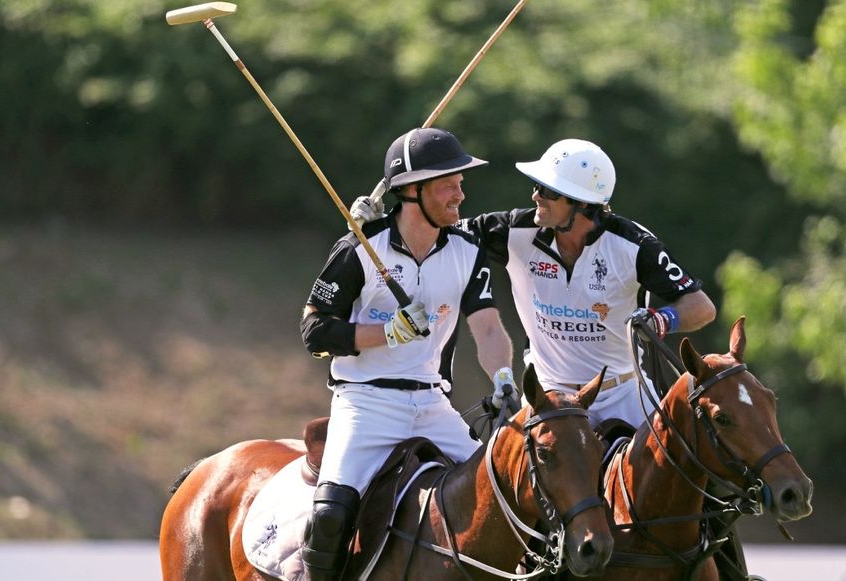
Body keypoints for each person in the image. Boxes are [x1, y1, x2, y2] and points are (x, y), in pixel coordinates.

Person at [352, 138, 715, 431]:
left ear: (583, 204)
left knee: (682, 484)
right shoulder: (514, 230)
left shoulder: (633, 245)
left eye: (548, 190)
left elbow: (701, 307)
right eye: (537, 186)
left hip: (623, 395)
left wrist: (659, 320)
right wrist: (380, 223)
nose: (535, 196)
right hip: (548, 398)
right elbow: (432, 229)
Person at [299, 127, 517, 581]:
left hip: (433, 405)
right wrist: (388, 332)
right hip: (365, 403)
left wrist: (503, 377)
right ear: (412, 191)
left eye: (460, 181)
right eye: (449, 183)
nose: (461, 192)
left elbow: (489, 327)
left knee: (504, 492)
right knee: (330, 516)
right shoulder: (361, 246)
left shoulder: (467, 250)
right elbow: (315, 330)